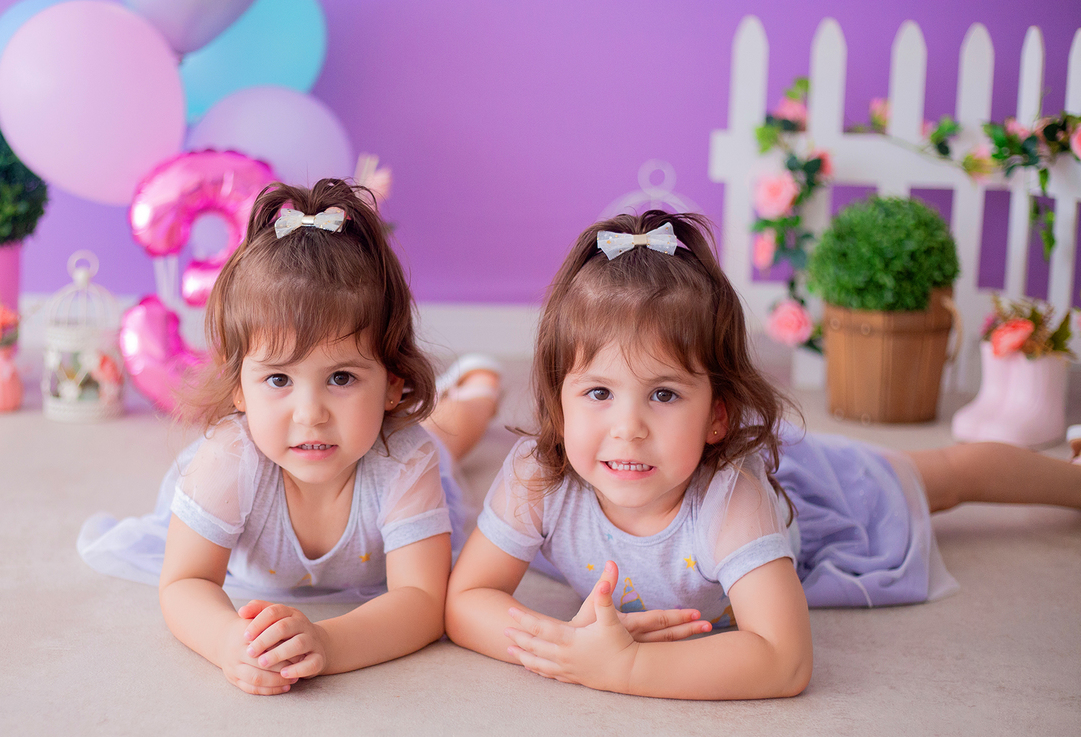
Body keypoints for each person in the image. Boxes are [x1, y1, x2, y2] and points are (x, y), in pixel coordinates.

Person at [444, 210, 1081, 701]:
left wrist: (625, 666)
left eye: (664, 393)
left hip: (809, 489)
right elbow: (466, 597)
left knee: (947, 474)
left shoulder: (732, 501)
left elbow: (784, 658)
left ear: (718, 413)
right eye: (599, 392)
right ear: (558, 402)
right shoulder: (540, 476)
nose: (627, 428)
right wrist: (560, 647)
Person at [79, 179, 501, 695]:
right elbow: (185, 582)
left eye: (341, 378)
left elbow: (421, 600)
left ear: (393, 383)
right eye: (278, 379)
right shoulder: (229, 462)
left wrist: (327, 642)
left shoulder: (404, 460)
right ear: (238, 388)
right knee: (427, 440)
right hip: (353, 439)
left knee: (445, 441)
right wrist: (226, 641)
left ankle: (480, 389)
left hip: (390, 444)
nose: (310, 415)